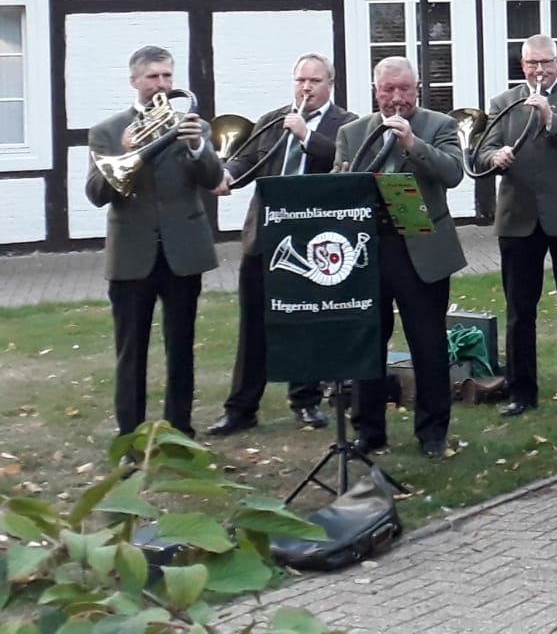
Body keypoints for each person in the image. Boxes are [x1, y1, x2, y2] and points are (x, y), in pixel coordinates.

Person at [207, 53, 355, 436]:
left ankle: (305, 402)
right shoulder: (273, 121)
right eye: (300, 80)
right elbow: (247, 160)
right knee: (253, 325)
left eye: (315, 81)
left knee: (306, 322)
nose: (306, 87)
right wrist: (225, 175)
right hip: (266, 236)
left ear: (330, 85)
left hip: (313, 241)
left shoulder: (346, 124)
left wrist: (306, 135)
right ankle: (241, 408)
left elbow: (346, 161)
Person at [87, 46, 223, 437]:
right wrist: (128, 152)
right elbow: (96, 193)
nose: (161, 85)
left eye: (167, 76)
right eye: (153, 77)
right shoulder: (108, 132)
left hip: (183, 251)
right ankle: (129, 434)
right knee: (131, 352)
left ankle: (180, 431)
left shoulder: (191, 125)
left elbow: (212, 178)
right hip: (133, 254)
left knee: (181, 347)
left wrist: (198, 147)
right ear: (134, 81)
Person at [335, 57, 466, 458]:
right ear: (375, 91)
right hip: (371, 251)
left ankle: (432, 433)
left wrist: (412, 143)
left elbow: (453, 173)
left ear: (418, 88)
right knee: (367, 343)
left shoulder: (438, 125)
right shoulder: (352, 131)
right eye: (388, 90)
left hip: (421, 248)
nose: (396, 98)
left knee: (427, 344)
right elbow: (339, 190)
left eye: (405, 89)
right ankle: (369, 432)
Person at [478, 35, 557, 417]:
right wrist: (493, 155)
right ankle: (521, 392)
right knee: (519, 310)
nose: (539, 71)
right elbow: (481, 149)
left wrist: (552, 119)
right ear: (523, 66)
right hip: (520, 216)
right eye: (532, 64)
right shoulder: (504, 103)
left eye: (546, 63)